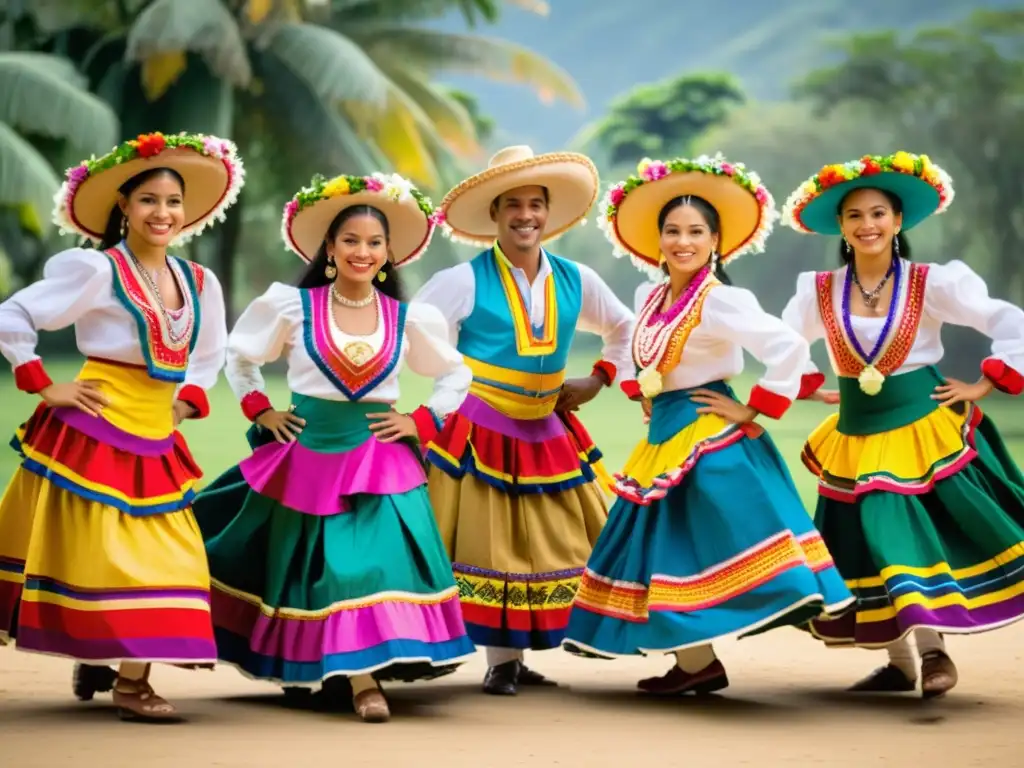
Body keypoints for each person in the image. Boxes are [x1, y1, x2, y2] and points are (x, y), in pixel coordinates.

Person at [560, 154, 854, 694]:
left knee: (689, 545)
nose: (682, 242)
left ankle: (700, 659)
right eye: (672, 231)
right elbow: (635, 347)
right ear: (656, 240)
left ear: (716, 240)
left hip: (708, 432)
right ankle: (695, 664)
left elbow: (786, 346)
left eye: (696, 232)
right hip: (665, 432)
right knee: (661, 546)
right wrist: (641, 389)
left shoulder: (722, 300)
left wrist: (755, 408)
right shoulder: (651, 296)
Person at [192, 171, 476, 723]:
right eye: (350, 241)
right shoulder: (292, 307)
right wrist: (261, 410)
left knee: (367, 569)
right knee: (303, 568)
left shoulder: (409, 317)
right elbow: (240, 356)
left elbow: (455, 373)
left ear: (389, 252)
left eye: (374, 243)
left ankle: (365, 679)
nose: (362, 252)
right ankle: (122, 652)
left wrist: (421, 418)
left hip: (379, 458)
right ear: (329, 247)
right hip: (308, 452)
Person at [0, 131, 243, 721]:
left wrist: (187, 400)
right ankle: (127, 681)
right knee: (96, 553)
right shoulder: (97, 270)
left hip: (156, 431)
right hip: (93, 426)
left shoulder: (200, 282)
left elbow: (210, 353)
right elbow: (14, 311)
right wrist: (42, 381)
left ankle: (117, 665)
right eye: (148, 201)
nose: (163, 213)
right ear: (123, 209)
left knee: (177, 556)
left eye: (173, 202)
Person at [780, 151, 1024, 698]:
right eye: (855, 216)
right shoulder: (818, 290)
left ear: (898, 222)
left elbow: (1008, 320)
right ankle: (899, 662)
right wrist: (805, 381)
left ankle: (935, 655)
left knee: (900, 534)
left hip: (919, 425)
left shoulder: (932, 282)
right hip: (854, 432)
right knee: (866, 540)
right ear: (840, 227)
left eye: (878, 214)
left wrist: (987, 380)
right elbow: (783, 342)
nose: (867, 225)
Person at [414, 145, 634, 696]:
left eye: (536, 204)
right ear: (494, 213)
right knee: (488, 543)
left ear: (549, 213)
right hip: (478, 427)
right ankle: (497, 662)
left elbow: (626, 328)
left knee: (551, 538)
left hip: (547, 428)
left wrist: (599, 377)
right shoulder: (461, 281)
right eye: (513, 204)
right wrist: (448, 383)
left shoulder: (576, 278)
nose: (526, 215)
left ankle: (519, 656)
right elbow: (411, 334)